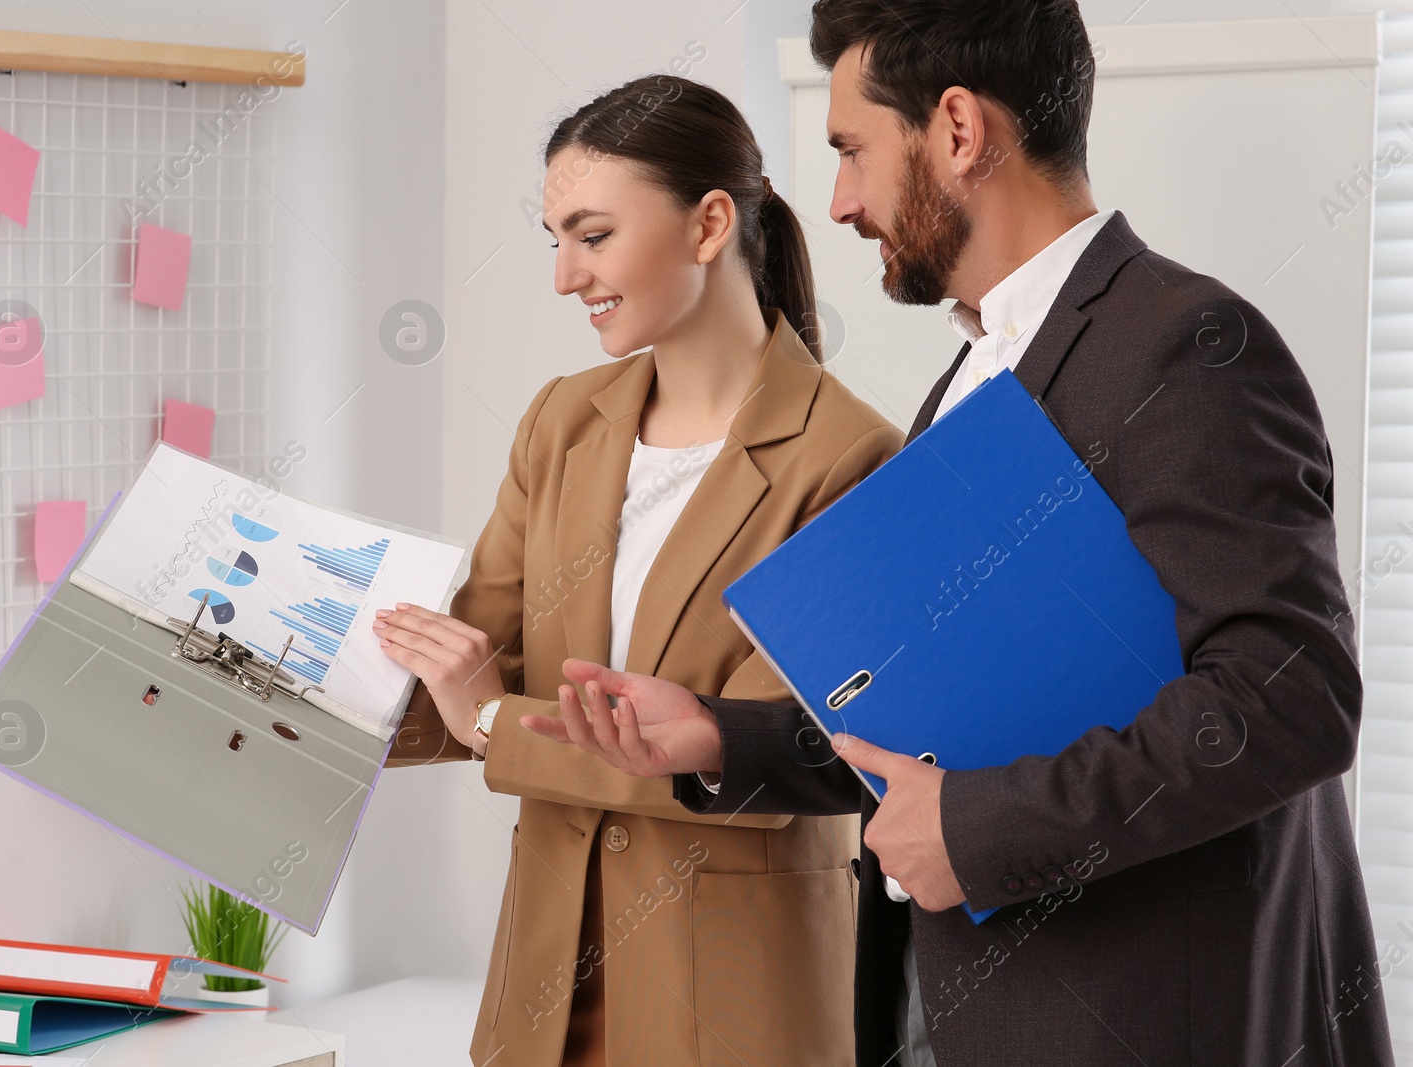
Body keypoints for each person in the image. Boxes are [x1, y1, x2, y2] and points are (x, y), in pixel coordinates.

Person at [522, 2, 1397, 1065]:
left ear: (956, 130)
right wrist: (719, 736)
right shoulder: (974, 370)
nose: (837, 201)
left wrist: (975, 831)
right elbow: (945, 727)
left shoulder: (1185, 346)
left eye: (851, 150)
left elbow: (1287, 696)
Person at [375, 73, 904, 1066]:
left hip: (734, 997)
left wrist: (490, 719)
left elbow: (763, 754)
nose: (565, 277)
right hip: (543, 987)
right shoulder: (563, 419)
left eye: (592, 234)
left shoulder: (850, 455)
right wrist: (279, 701)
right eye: (555, 240)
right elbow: (478, 656)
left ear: (708, 224)